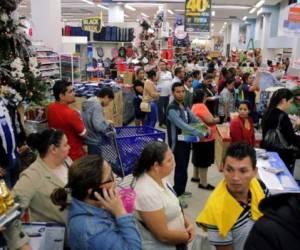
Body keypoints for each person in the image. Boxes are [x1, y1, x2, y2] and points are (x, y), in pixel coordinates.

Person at [51, 155, 141, 250]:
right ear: (93, 192)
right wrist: (121, 213)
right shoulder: (91, 231)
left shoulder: (87, 202)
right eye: (110, 177)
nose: (115, 181)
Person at [3, 129, 71, 250]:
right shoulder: (32, 176)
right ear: (53, 149)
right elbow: (9, 215)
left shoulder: (67, 162)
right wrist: (22, 245)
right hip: (58, 244)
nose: (69, 147)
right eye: (65, 144)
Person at [196, 143, 269, 250]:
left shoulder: (260, 188)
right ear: (222, 168)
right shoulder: (216, 211)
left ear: (254, 171)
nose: (235, 178)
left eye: (243, 171)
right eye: (229, 170)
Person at [133, 141, 195, 250]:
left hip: (179, 241)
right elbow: (163, 236)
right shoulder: (146, 193)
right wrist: (187, 235)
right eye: (169, 160)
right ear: (156, 166)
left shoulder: (161, 177)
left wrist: (188, 223)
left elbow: (175, 206)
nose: (174, 163)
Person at [167, 82, 207, 208]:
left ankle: (181, 190)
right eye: (178, 92)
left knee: (184, 168)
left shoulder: (183, 104)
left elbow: (192, 116)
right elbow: (181, 125)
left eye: (182, 91)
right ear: (173, 93)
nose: (181, 94)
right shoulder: (172, 108)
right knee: (180, 170)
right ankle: (177, 196)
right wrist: (198, 132)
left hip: (185, 140)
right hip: (177, 143)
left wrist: (203, 124)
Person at [261, 88, 300, 171]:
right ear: (283, 100)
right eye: (290, 102)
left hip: (268, 151)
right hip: (282, 155)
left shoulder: (268, 112)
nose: (290, 105)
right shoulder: (282, 116)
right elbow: (290, 138)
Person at [47, 80, 86, 160]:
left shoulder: (50, 107)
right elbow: (84, 135)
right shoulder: (71, 114)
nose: (74, 94)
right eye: (70, 92)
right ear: (61, 96)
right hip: (74, 155)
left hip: (59, 154)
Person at [191, 89, 219, 190]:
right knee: (204, 160)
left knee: (197, 156)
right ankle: (203, 183)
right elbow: (210, 121)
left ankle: (195, 176)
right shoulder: (201, 106)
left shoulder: (193, 105)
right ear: (203, 97)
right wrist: (218, 119)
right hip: (206, 138)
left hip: (197, 136)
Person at [81, 87, 115, 155]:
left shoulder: (89, 102)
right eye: (109, 101)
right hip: (94, 140)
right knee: (96, 162)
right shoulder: (97, 106)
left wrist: (105, 121)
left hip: (88, 137)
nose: (108, 104)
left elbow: (92, 119)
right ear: (106, 97)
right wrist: (107, 125)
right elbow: (98, 126)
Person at [157, 60, 173, 128]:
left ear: (165, 65)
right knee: (160, 109)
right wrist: (158, 72)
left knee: (167, 109)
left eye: (163, 64)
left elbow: (171, 81)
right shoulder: (158, 73)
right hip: (160, 94)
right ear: (159, 66)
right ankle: (161, 123)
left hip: (168, 94)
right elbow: (155, 80)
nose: (162, 66)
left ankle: (166, 122)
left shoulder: (169, 73)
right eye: (160, 65)